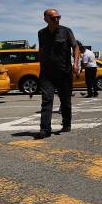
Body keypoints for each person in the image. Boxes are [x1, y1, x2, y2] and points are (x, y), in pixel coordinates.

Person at [37, 9, 80, 138]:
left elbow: (75, 46)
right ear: (46, 19)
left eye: (58, 17)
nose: (57, 20)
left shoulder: (66, 31)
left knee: (65, 101)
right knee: (47, 100)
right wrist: (41, 65)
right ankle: (45, 129)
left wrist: (76, 63)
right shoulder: (41, 33)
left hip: (64, 72)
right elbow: (41, 50)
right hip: (47, 73)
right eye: (53, 18)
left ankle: (66, 124)